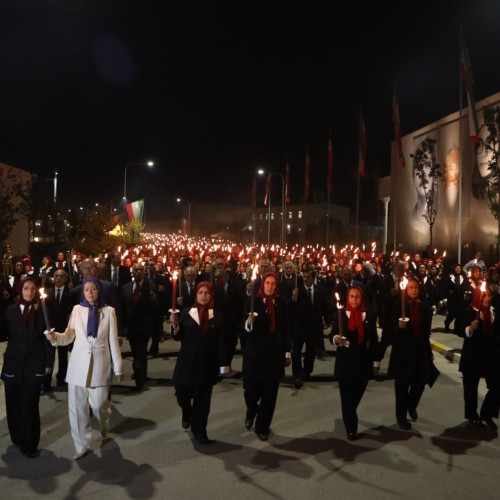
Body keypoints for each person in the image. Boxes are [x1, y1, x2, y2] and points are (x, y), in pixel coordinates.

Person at [45, 277, 124, 459]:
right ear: (83, 292)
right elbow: (68, 336)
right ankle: (82, 445)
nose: (90, 292)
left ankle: (104, 421)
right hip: (78, 368)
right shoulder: (77, 310)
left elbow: (113, 341)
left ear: (99, 291)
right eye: (87, 289)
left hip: (100, 366)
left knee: (99, 406)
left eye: (93, 289)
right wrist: (54, 337)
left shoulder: (109, 311)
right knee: (78, 409)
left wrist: (118, 367)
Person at [170, 282, 230, 445]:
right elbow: (177, 337)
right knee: (181, 393)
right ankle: (186, 410)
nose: (204, 295)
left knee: (203, 400)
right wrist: (174, 324)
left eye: (207, 293)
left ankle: (200, 431)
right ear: (196, 295)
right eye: (201, 292)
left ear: (211, 296)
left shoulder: (218, 316)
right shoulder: (185, 313)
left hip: (207, 364)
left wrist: (224, 364)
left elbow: (222, 342)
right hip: (186, 363)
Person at [1, 277, 54, 457]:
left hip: (34, 363)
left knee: (29, 404)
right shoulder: (11, 310)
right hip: (13, 364)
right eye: (25, 288)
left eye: (33, 288)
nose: (29, 292)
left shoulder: (43, 311)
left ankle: (30, 444)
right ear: (20, 290)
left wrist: (48, 362)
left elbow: (48, 339)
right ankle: (17, 437)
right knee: (13, 403)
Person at [243, 272, 291, 441]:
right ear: (262, 285)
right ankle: (251, 410)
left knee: (270, 394)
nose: (270, 286)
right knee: (250, 391)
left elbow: (285, 329)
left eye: (273, 283)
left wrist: (287, 352)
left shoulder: (282, 303)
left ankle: (263, 427)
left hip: (274, 354)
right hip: (255, 354)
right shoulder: (253, 301)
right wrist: (249, 323)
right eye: (267, 283)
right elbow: (242, 325)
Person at [388, 278, 437, 430]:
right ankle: (401, 417)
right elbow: (389, 331)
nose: (414, 290)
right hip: (403, 351)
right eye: (411, 287)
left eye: (416, 287)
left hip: (419, 350)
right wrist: (399, 326)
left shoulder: (424, 308)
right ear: (406, 289)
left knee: (420, 382)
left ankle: (411, 405)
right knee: (402, 385)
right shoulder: (398, 306)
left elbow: (425, 333)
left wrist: (429, 353)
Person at [329, 286, 378, 440]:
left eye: (357, 296)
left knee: (356, 394)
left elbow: (374, 339)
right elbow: (332, 334)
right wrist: (336, 339)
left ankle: (349, 414)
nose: (354, 299)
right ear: (347, 298)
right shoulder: (341, 314)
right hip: (345, 361)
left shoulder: (369, 314)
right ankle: (351, 427)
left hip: (363, 360)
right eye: (351, 296)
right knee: (346, 396)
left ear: (361, 298)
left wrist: (376, 360)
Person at [459, 286, 499, 429]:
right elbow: (459, 329)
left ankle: (487, 413)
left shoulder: (493, 313)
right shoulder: (470, 312)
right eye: (485, 296)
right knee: (470, 388)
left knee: (496, 386)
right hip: (472, 357)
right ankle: (472, 415)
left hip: (490, 357)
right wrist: (470, 329)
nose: (488, 299)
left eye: (489, 296)